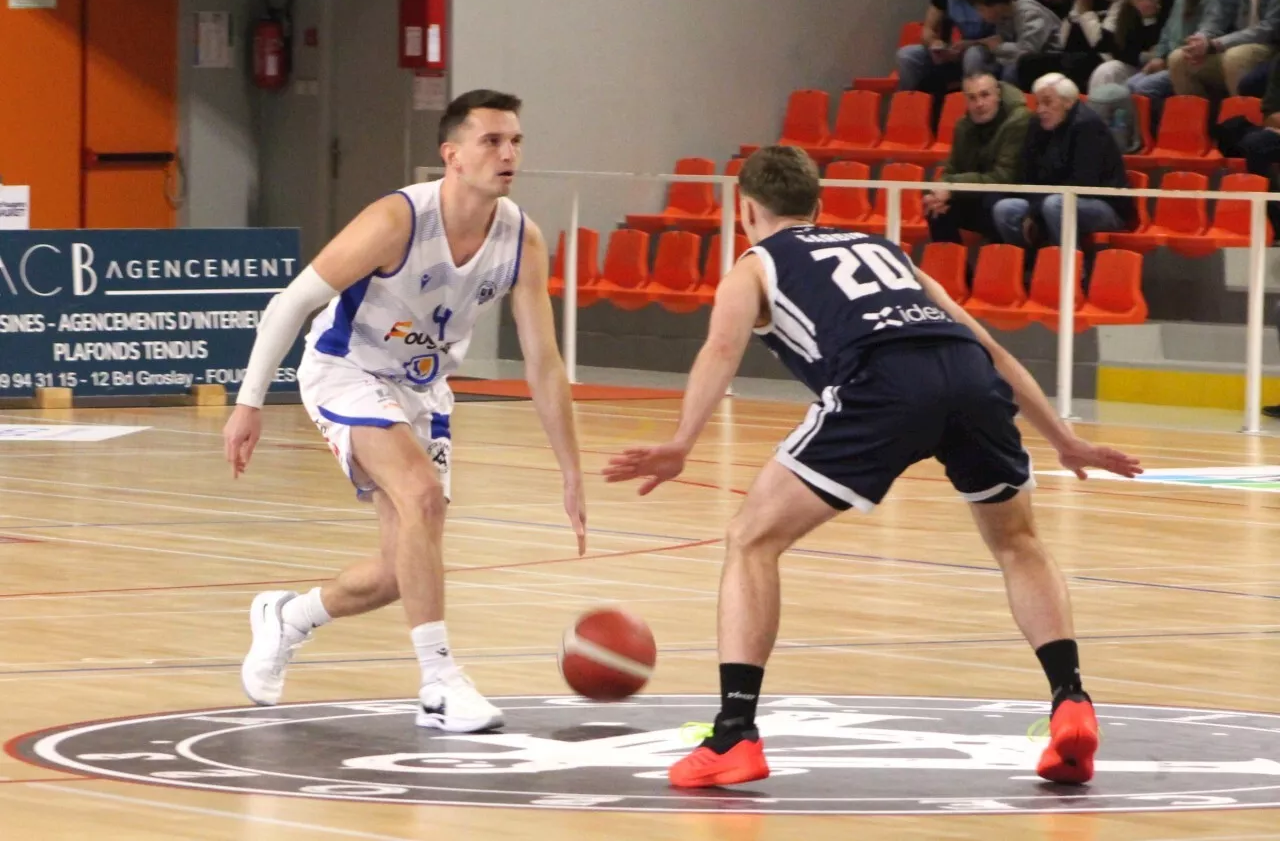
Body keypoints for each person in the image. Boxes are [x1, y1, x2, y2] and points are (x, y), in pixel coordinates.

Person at [603, 145, 1142, 789]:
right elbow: (988, 345)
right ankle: (1071, 702)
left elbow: (721, 348)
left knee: (751, 539)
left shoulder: (754, 265)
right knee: (1019, 543)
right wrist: (1064, 439)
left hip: (880, 384)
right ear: (819, 206)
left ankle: (734, 734)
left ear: (745, 209)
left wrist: (683, 440)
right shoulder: (887, 250)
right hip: (967, 375)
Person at [222, 89, 587, 733]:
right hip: (346, 369)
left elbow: (544, 363)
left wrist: (571, 470)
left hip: (423, 390)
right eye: (492, 141)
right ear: (452, 155)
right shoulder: (397, 220)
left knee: (402, 571)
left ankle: (290, 616)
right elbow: (290, 302)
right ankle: (440, 684)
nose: (508, 154)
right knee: (420, 493)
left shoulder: (520, 239)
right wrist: (248, 403)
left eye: (516, 142)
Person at [992, 73, 1134, 265]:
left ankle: (1073, 274)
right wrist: (1034, 209)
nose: (1041, 110)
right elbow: (1027, 175)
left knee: (1057, 204)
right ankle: (1030, 270)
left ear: (1068, 102)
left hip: (1103, 206)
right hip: (1049, 200)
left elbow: (1083, 184)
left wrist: (1036, 211)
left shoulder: (1088, 126)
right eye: (1038, 103)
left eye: (1048, 102)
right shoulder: (1037, 125)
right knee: (1005, 209)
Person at [924, 71, 1031, 251]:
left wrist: (952, 187)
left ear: (998, 94)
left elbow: (1003, 178)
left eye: (985, 95)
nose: (979, 104)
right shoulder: (963, 126)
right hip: (979, 194)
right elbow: (951, 169)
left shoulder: (1019, 120)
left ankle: (1004, 268)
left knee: (994, 203)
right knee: (936, 209)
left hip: (1014, 197)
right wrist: (939, 192)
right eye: (972, 98)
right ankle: (957, 275)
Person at [1168, 0, 1280, 99]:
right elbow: (1215, 20)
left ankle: (1241, 117)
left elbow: (1269, 29)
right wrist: (1200, 40)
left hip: (1271, 48)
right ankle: (1198, 117)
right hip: (1233, 44)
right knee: (1179, 58)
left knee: (1236, 57)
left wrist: (1217, 44)